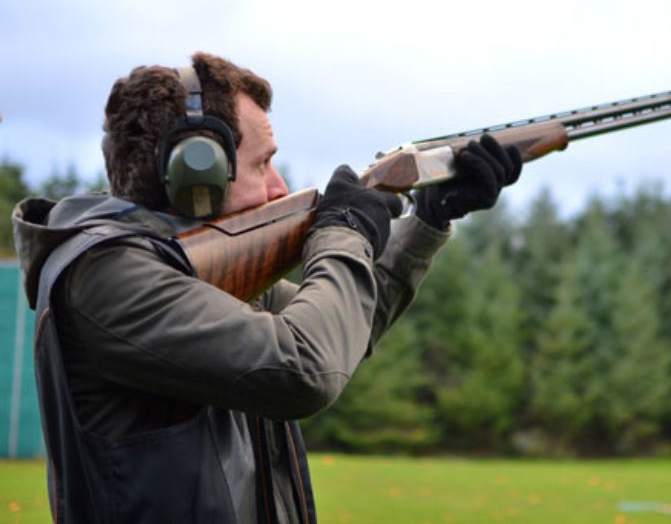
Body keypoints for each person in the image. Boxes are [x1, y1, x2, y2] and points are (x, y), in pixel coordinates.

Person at [12, 52, 521, 523]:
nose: (279, 187)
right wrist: (343, 230)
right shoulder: (109, 277)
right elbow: (305, 368)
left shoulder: (181, 272)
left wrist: (428, 220)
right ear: (196, 172)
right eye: (262, 163)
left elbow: (339, 324)